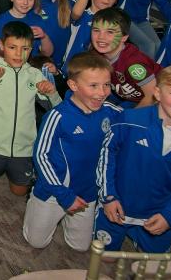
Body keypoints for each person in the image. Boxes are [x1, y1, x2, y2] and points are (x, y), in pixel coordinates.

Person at [23, 53, 121, 251]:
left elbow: (141, 120)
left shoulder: (111, 111)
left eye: (106, 85)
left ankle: (70, 218)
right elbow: (41, 156)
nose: (102, 92)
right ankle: (35, 200)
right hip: (54, 190)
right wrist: (64, 195)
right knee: (36, 242)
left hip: (88, 192)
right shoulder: (57, 116)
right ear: (73, 85)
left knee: (80, 247)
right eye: (93, 85)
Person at [0, 21, 61, 196]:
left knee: (20, 192)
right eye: (12, 47)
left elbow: (59, 113)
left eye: (25, 49)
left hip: (25, 148)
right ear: (1, 45)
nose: (19, 54)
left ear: (31, 49)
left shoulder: (35, 74)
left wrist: (52, 93)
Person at [95, 64, 171, 253]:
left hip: (158, 212)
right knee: (106, 257)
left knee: (153, 265)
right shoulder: (129, 119)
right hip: (118, 205)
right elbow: (106, 157)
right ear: (158, 93)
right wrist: (108, 197)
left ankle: (140, 237)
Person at [89, 7, 159, 108]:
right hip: (129, 99)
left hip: (159, 103)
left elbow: (152, 96)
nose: (101, 37)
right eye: (96, 30)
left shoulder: (133, 64)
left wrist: (128, 119)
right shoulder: (96, 54)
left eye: (110, 32)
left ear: (124, 37)